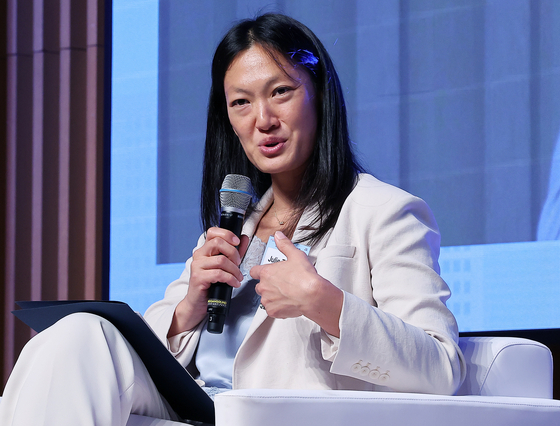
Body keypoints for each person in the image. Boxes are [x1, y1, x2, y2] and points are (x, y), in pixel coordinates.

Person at [0, 13, 465, 426]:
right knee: (76, 336)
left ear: (318, 96)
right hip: (198, 403)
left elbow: (442, 368)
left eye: (281, 92)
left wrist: (324, 302)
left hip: (271, 412)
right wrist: (187, 312)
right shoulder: (232, 224)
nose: (263, 119)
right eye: (241, 102)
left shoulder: (385, 211)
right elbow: (165, 351)